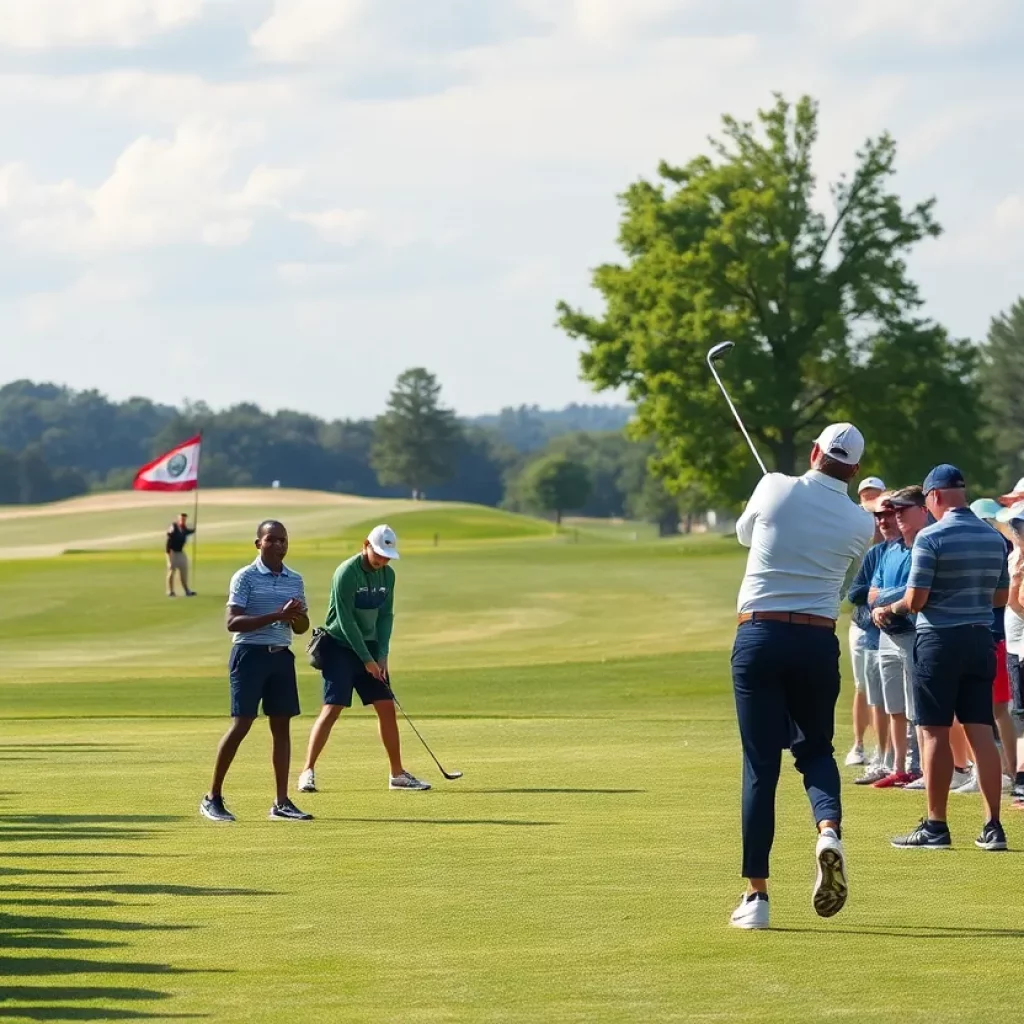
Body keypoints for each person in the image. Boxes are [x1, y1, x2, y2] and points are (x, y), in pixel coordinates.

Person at [728, 423, 875, 929]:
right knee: (815, 751)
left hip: (760, 637)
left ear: (814, 451)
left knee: (760, 766)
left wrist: (773, 493)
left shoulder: (774, 486)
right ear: (854, 470)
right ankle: (828, 829)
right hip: (815, 641)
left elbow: (744, 534)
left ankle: (756, 899)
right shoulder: (861, 523)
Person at [885, 466, 1010, 851]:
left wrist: (889, 609)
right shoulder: (992, 537)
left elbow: (916, 600)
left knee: (933, 731)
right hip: (979, 639)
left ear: (935, 496)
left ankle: (936, 826)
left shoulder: (931, 537)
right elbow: (1001, 599)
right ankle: (993, 826)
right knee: (980, 729)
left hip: (938, 640)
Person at [298, 524, 430, 794]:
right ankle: (307, 771)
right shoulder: (346, 572)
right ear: (365, 545)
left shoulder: (388, 576)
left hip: (370, 648)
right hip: (340, 646)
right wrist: (366, 659)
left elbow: (385, 617)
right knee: (332, 708)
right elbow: (345, 621)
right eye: (379, 554)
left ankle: (397, 775)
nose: (382, 560)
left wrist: (382, 656)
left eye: (387, 556)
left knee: (386, 708)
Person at [200, 520, 313, 823]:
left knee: (282, 728)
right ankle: (212, 797)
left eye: (283, 540)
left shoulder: (294, 579)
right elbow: (233, 622)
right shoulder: (245, 577)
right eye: (271, 540)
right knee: (242, 725)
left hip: (281, 657)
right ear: (258, 544)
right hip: (249, 655)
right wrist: (278, 614)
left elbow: (301, 626)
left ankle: (281, 802)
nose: (278, 545)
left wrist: (294, 617)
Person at [869, 487, 929, 788]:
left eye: (899, 511)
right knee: (894, 706)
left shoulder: (923, 547)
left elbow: (913, 591)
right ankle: (899, 767)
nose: (895, 516)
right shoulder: (890, 550)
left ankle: (918, 767)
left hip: (912, 633)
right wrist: (880, 605)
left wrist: (883, 603)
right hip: (887, 636)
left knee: (915, 706)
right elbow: (871, 592)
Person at [847, 495, 897, 784]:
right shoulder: (875, 553)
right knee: (876, 700)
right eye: (878, 516)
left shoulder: (909, 549)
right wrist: (875, 595)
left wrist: (882, 595)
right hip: (871, 634)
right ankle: (883, 757)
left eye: (889, 514)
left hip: (899, 633)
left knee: (899, 706)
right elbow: (855, 593)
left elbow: (910, 591)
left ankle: (900, 760)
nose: (883, 521)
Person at [845, 476, 886, 767]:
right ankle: (859, 744)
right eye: (865, 499)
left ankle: (885, 750)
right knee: (862, 685)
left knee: (887, 689)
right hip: (861, 622)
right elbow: (854, 591)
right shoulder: (855, 537)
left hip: (892, 623)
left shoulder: (900, 541)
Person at [166, 512, 196, 597]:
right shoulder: (174, 527)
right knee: (172, 571)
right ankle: (171, 591)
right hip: (172, 552)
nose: (183, 520)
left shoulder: (184, 528)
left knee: (184, 571)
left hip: (180, 552)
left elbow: (188, 532)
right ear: (179, 519)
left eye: (184, 519)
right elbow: (169, 541)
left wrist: (194, 530)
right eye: (181, 519)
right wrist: (168, 557)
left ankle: (187, 590)